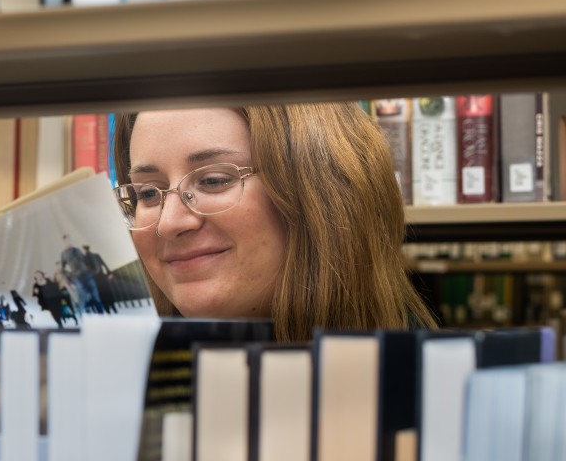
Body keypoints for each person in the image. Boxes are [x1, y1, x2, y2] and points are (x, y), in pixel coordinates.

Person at [111, 103, 437, 343]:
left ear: (321, 193)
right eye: (149, 192)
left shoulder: (426, 397)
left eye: (212, 181)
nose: (168, 223)